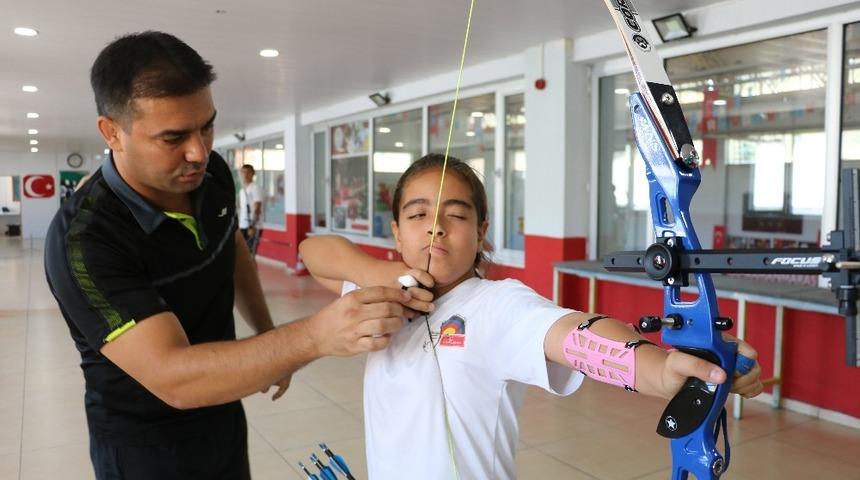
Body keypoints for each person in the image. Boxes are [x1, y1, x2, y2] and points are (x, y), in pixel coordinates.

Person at [43, 31, 426, 480]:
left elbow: (232, 248)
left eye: (207, 126)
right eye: (173, 137)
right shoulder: (85, 241)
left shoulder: (211, 175)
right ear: (113, 132)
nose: (199, 151)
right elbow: (174, 377)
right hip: (145, 443)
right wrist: (313, 337)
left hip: (224, 409)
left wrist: (269, 337)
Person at [299, 153, 764, 480]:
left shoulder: (498, 305)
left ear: (482, 232)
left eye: (456, 216)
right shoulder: (376, 294)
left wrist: (662, 370)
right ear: (397, 232)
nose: (436, 225)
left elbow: (573, 334)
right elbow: (312, 250)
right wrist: (376, 273)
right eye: (418, 214)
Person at [238, 163, 262, 253]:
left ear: (253, 174)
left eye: (248, 172)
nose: (245, 175)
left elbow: (257, 208)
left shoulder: (255, 188)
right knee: (242, 254)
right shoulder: (242, 190)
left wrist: (253, 226)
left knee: (250, 254)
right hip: (242, 225)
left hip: (252, 226)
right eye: (243, 172)